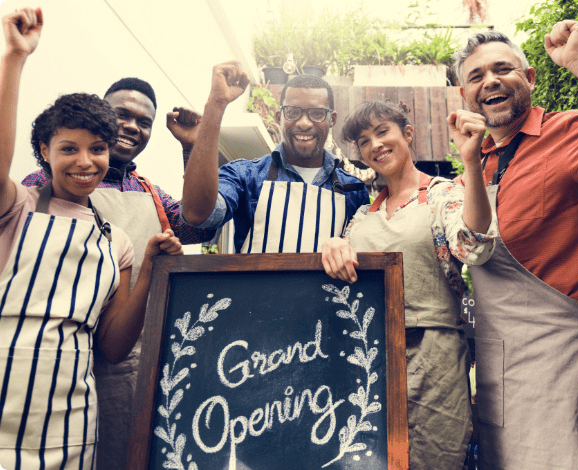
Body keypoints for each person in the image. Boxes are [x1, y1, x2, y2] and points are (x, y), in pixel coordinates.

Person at [0, 8, 182, 469]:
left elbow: (113, 347)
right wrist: (15, 59)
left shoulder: (116, 241)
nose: (85, 161)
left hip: (73, 422)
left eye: (96, 149)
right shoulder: (17, 204)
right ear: (44, 151)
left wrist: (150, 271)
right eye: (68, 149)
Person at [22, 66, 216, 470]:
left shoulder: (152, 195)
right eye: (120, 116)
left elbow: (199, 219)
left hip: (125, 355)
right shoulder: (37, 187)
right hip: (45, 356)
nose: (131, 126)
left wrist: (194, 146)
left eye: (144, 122)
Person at [321, 100, 497, 469]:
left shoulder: (441, 195)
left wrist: (471, 163)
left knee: (434, 458)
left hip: (435, 355)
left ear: (408, 134)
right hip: (369, 357)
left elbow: (473, 245)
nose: (375, 145)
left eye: (383, 131)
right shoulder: (361, 216)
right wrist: (335, 247)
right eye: (364, 141)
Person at [453, 21, 578, 469]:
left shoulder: (572, 133)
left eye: (502, 69)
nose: (489, 81)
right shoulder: (475, 165)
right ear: (464, 97)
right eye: (475, 77)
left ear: (529, 79)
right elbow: (467, 247)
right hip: (498, 371)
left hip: (564, 362)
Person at [181, 61, 370, 253]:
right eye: (293, 112)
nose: (304, 123)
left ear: (332, 120)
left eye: (317, 113)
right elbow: (198, 215)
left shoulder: (354, 190)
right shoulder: (245, 175)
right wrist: (216, 104)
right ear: (279, 117)